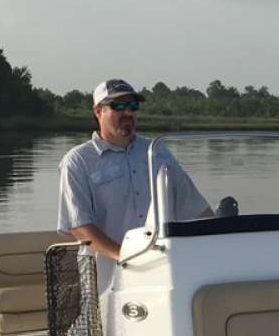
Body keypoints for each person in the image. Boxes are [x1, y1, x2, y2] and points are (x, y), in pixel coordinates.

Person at [57, 78, 212, 285]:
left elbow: (195, 209)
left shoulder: (158, 152)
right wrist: (126, 256)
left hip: (164, 271)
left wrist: (223, 237)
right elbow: (79, 226)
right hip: (108, 281)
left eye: (133, 106)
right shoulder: (77, 161)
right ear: (98, 112)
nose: (127, 113)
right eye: (119, 106)